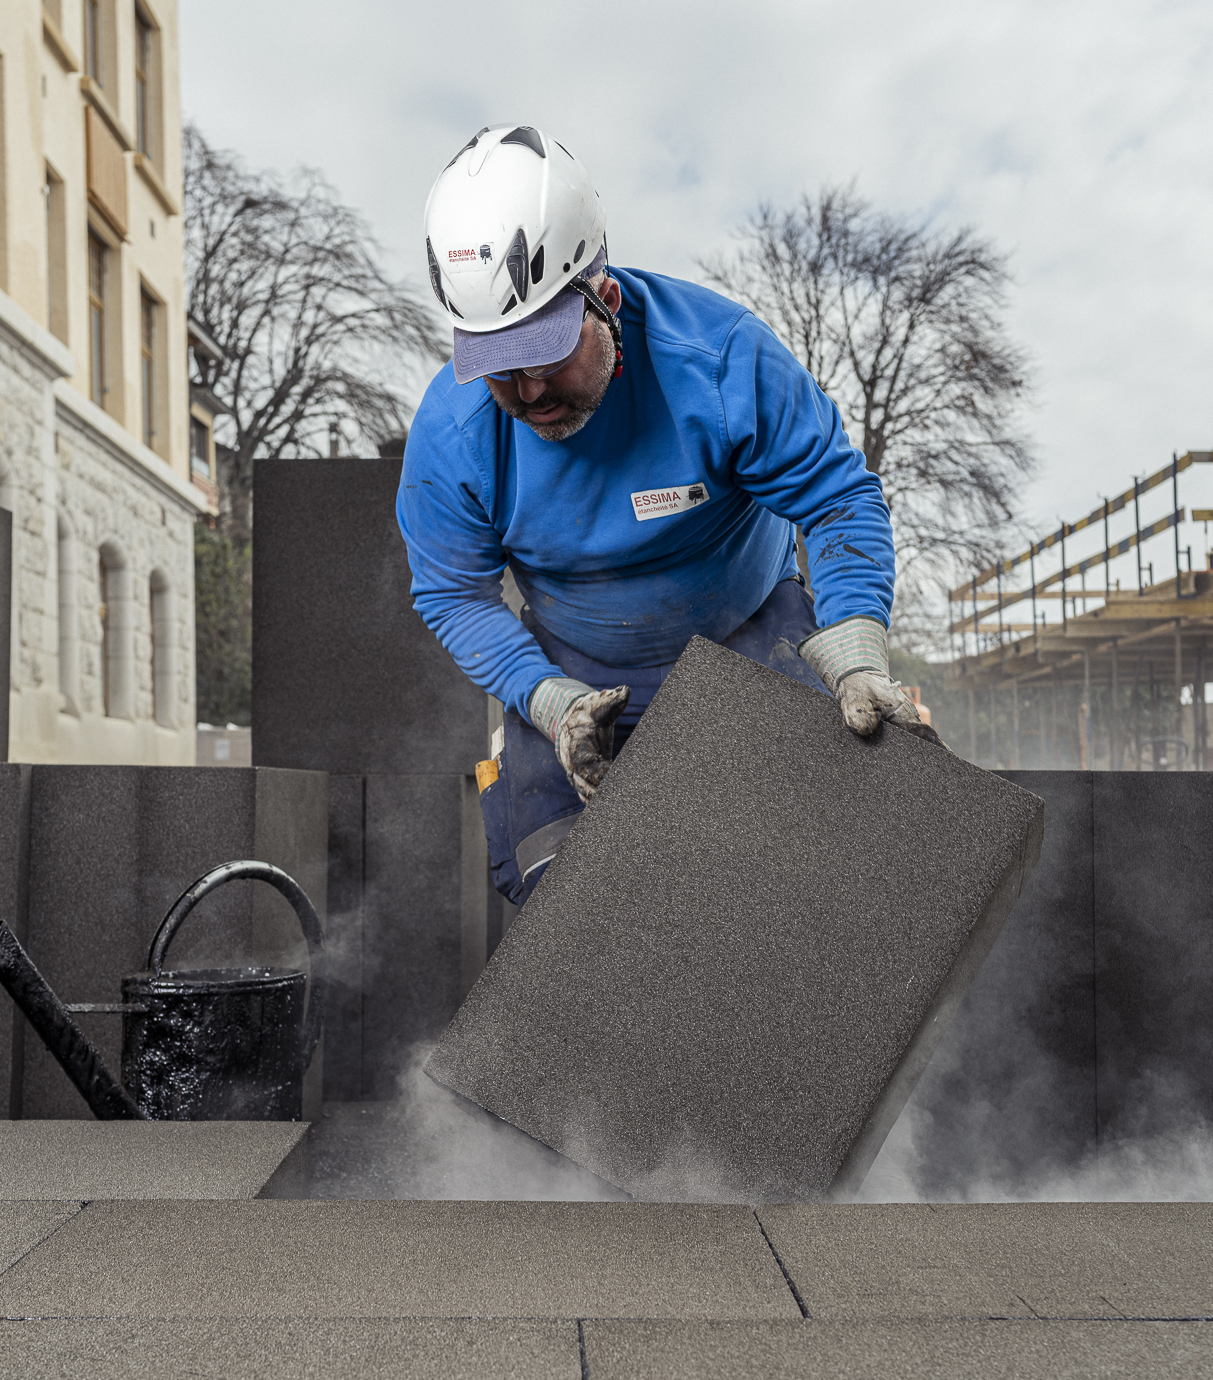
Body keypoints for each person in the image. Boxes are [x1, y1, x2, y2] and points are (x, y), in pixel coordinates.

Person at [398, 123, 930, 906]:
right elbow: (452, 592)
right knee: (563, 909)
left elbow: (837, 496)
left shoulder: (719, 362)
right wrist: (547, 699)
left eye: (545, 356)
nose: (529, 393)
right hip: (577, 670)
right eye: (499, 370)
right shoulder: (453, 433)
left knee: (817, 889)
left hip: (750, 634)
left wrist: (855, 655)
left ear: (603, 301)